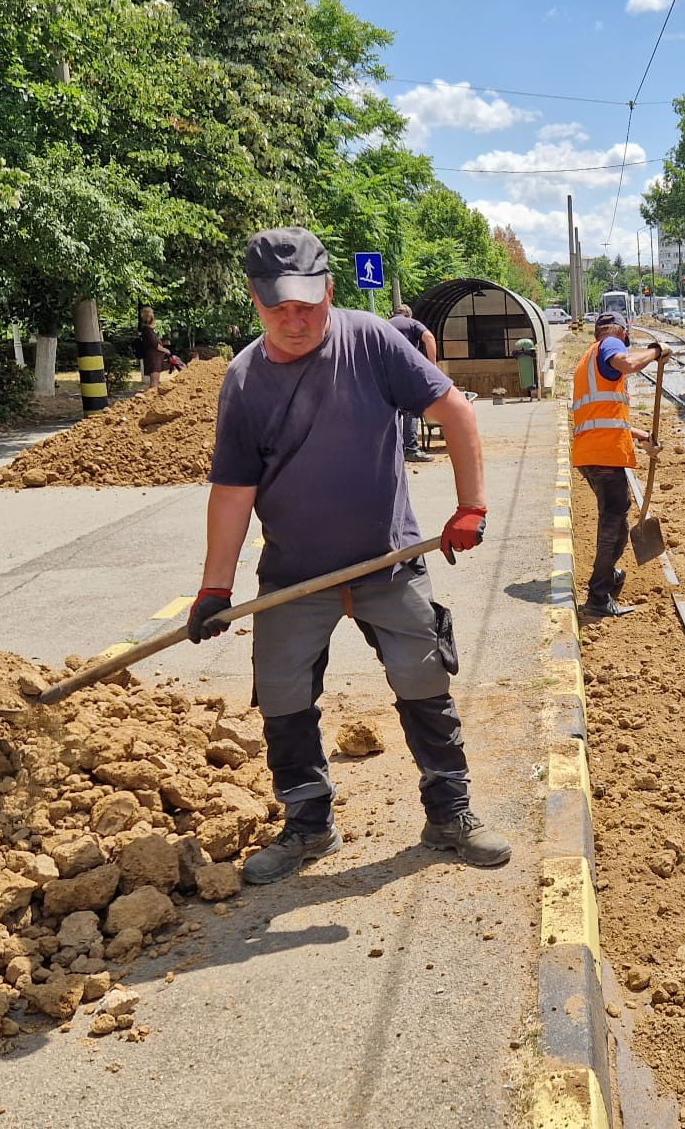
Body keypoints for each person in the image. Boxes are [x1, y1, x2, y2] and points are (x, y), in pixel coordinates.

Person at [188, 226, 509, 883]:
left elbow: (456, 411)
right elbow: (232, 492)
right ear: (255, 300)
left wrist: (469, 505)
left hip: (387, 562)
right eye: (278, 307)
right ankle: (308, 828)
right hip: (294, 576)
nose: (295, 319)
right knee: (281, 698)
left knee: (425, 684)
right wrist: (215, 590)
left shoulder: (371, 339)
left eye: (308, 304)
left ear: (329, 290)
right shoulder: (244, 381)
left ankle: (449, 813)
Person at [572, 312, 665, 618]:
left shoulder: (589, 358)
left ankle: (608, 578)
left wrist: (641, 436)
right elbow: (629, 364)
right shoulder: (611, 344)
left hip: (592, 451)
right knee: (613, 525)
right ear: (622, 334)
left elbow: (604, 418)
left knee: (615, 518)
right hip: (604, 454)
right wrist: (656, 351)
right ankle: (599, 595)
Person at [389, 304, 439, 463]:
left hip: (384, 373)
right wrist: (433, 365)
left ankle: (393, 451)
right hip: (405, 371)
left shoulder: (383, 324)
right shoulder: (412, 323)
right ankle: (411, 450)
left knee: (391, 411)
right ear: (408, 315)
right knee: (411, 410)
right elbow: (429, 338)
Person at [136, 305, 172, 390]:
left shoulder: (149, 330)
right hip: (153, 359)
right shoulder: (147, 330)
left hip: (155, 359)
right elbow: (155, 345)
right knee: (154, 383)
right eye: (152, 315)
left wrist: (163, 343)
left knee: (155, 381)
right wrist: (166, 350)